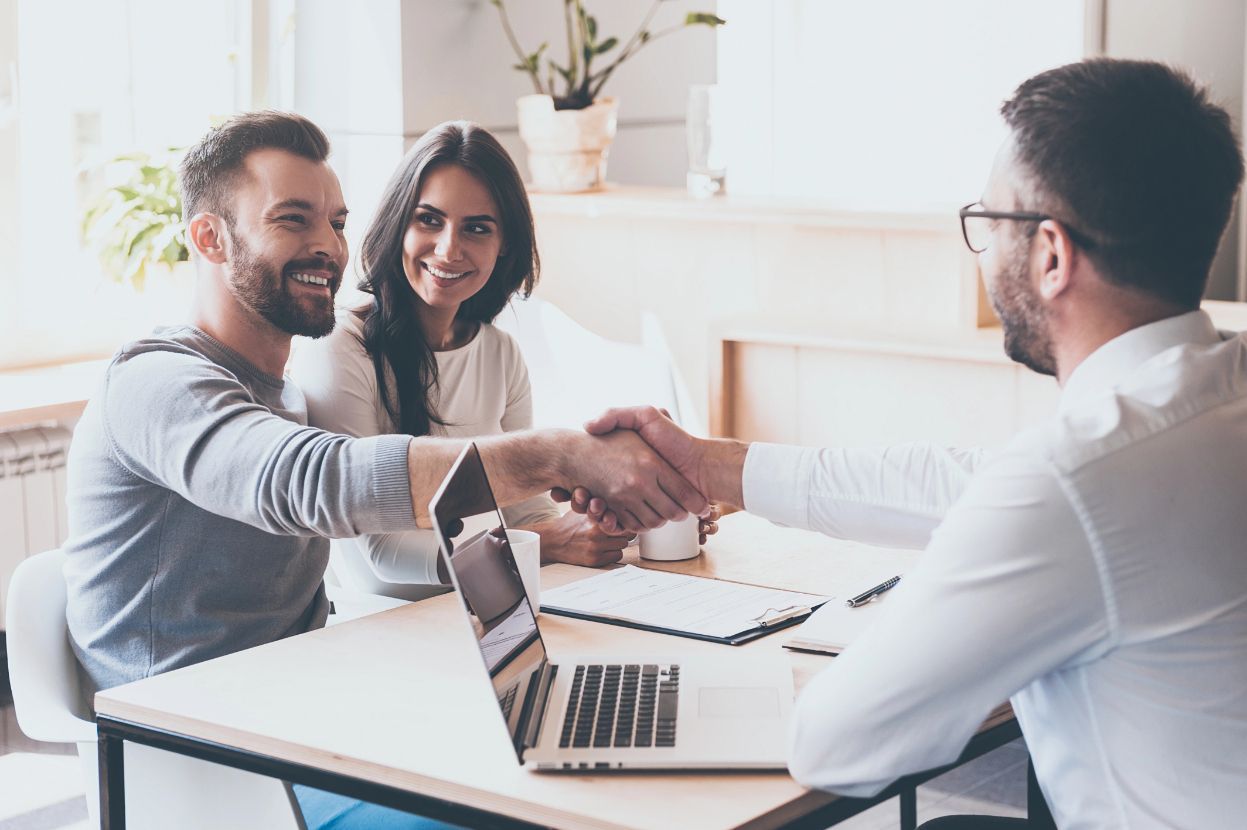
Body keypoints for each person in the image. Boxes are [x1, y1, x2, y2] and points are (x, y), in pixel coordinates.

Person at [578, 59, 1247, 827]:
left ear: (1051, 255)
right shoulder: (1195, 408)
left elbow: (837, 745)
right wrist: (712, 467)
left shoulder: (1075, 482)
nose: (986, 250)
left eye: (990, 222)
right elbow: (963, 483)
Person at [61, 111, 706, 830]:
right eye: (293, 220)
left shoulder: (283, 393)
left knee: (592, 761)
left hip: (306, 712)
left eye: (335, 222)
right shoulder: (158, 383)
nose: (326, 247)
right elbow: (312, 484)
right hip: (201, 757)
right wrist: (559, 454)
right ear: (211, 238)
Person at [290, 122, 714, 600]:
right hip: (387, 630)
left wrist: (634, 519)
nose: (449, 248)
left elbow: (526, 514)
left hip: (493, 613)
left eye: (476, 228)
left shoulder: (499, 352)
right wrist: (547, 544)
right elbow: (382, 556)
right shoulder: (340, 348)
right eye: (429, 219)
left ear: (504, 244)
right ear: (397, 223)